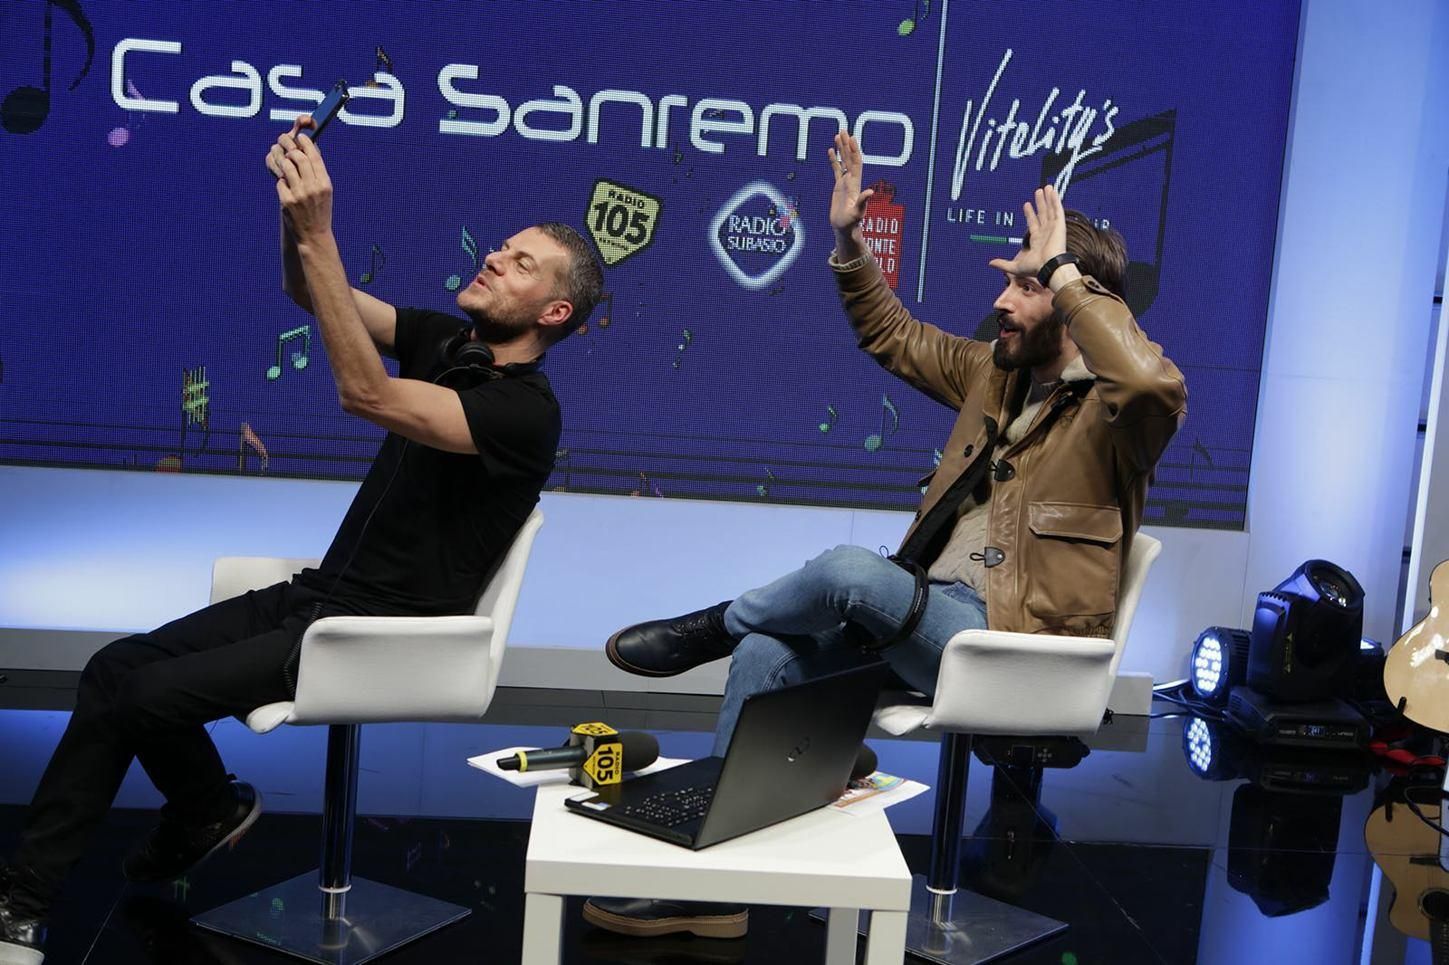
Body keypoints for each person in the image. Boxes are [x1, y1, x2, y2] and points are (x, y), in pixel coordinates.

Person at [0, 116, 603, 963]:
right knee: (113, 668)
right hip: (322, 594)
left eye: (522, 262)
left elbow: (366, 394)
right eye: (501, 246)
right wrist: (296, 215)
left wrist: (322, 231)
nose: (497, 257)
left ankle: (24, 906)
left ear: (553, 311)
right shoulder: (447, 341)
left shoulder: (524, 413)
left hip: (379, 630)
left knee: (145, 696)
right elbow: (310, 293)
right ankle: (205, 808)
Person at [582, 130, 1186, 940]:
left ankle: (713, 624)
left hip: (1018, 643)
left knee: (847, 570)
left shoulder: (1125, 412)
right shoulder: (996, 371)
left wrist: (1065, 275)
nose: (1002, 301)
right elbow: (894, 336)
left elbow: (1145, 376)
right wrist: (846, 241)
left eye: (1024, 284)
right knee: (766, 654)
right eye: (1009, 280)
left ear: (1076, 297)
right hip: (929, 618)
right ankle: (714, 884)